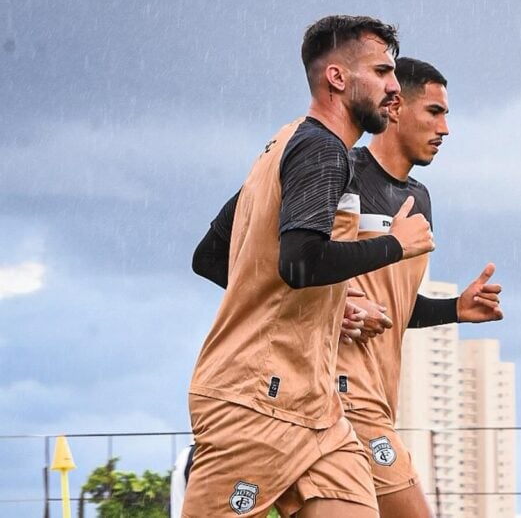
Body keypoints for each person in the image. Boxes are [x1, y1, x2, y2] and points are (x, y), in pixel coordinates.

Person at [192, 57, 503, 518]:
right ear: (395, 107)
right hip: (327, 392)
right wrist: (332, 310)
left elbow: (384, 307)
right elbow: (223, 257)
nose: (446, 128)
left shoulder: (419, 200)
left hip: (344, 407)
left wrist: (454, 308)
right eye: (435, 112)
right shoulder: (326, 162)